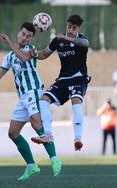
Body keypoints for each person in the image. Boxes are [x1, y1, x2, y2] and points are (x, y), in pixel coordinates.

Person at [0, 22, 62, 181]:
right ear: (19, 33)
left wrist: (10, 43)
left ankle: (54, 159)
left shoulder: (31, 50)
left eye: (29, 36)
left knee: (36, 123)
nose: (25, 38)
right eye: (23, 34)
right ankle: (32, 166)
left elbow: (24, 58)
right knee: (12, 132)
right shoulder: (9, 57)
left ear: (31, 38)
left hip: (33, 91)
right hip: (23, 97)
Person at [30, 14, 91, 151]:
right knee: (43, 101)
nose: (70, 30)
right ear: (66, 25)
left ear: (78, 29)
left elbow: (85, 44)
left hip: (78, 77)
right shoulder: (58, 40)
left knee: (76, 101)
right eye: (69, 27)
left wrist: (69, 38)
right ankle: (48, 135)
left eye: (74, 28)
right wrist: (34, 54)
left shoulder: (81, 39)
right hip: (63, 79)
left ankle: (78, 139)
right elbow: (44, 54)